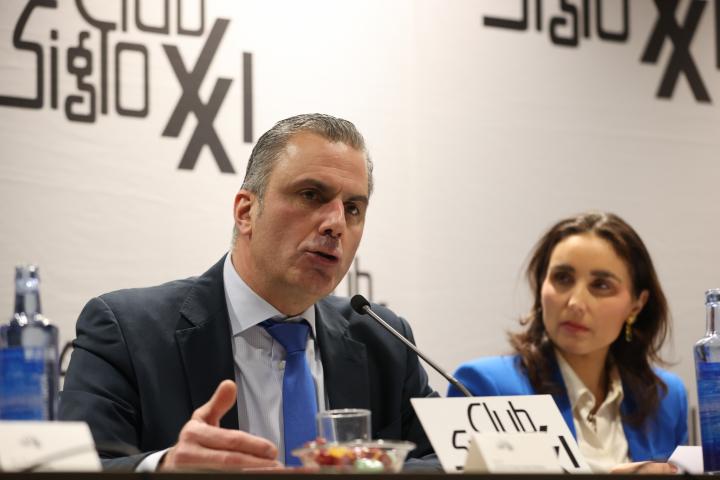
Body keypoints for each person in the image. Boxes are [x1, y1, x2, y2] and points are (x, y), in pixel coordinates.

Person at [59, 114, 436, 471]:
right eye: (310, 195)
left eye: (353, 209)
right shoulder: (127, 332)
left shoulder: (385, 341)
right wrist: (165, 467)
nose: (336, 223)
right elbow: (74, 467)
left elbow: (446, 461)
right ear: (245, 212)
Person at [448, 212, 687, 473]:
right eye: (562, 278)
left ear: (637, 305)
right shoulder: (486, 387)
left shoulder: (666, 398)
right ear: (541, 285)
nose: (575, 302)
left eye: (601, 285)